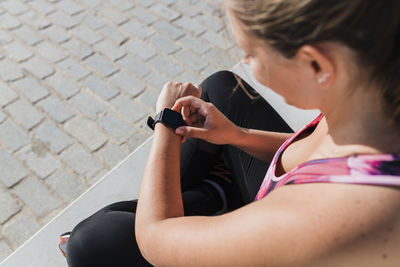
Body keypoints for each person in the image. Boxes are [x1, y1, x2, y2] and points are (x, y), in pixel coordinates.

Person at [63, 0, 400, 266]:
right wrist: (236, 135)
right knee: (221, 87)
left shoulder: (327, 218)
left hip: (285, 237)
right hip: (281, 210)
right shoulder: (372, 92)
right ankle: (218, 191)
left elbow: (156, 238)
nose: (245, 59)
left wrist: (165, 122)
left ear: (316, 64)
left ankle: (213, 194)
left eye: (251, 53)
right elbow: (312, 156)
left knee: (91, 244)